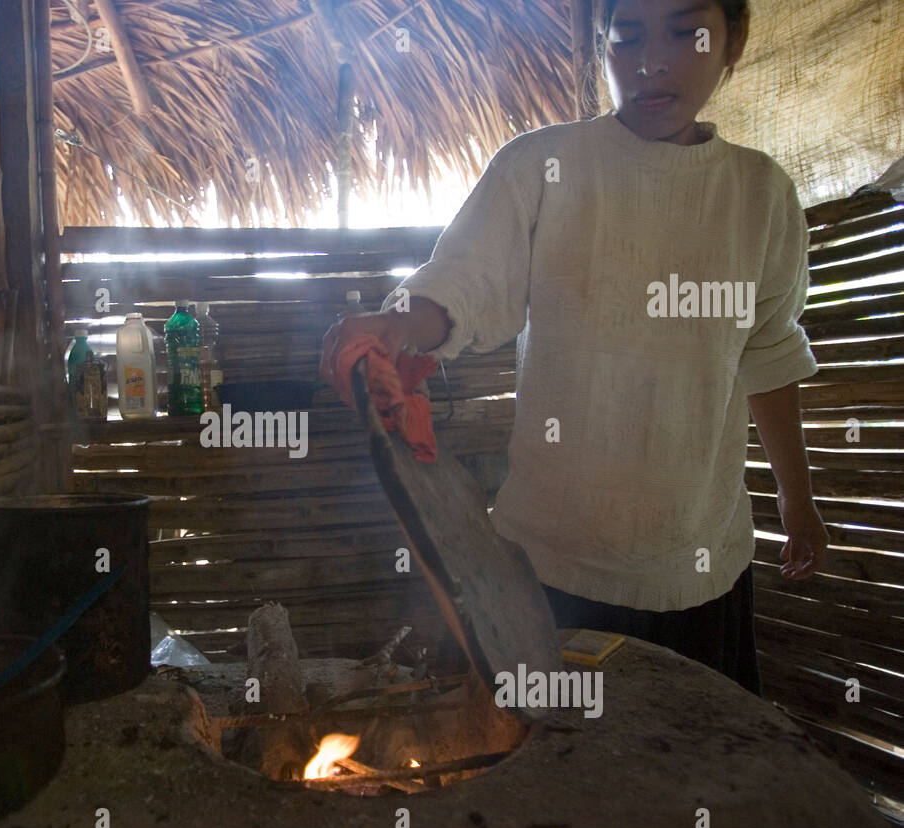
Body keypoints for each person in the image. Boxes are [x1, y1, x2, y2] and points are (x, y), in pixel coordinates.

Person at [320, 0, 829, 695]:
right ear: (601, 46)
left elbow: (769, 356)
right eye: (626, 37)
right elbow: (468, 281)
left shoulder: (762, 196)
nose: (652, 60)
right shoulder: (544, 166)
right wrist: (398, 325)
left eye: (686, 32)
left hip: (698, 566)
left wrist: (798, 499)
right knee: (556, 785)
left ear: (732, 40)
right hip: (552, 570)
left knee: (691, 784)